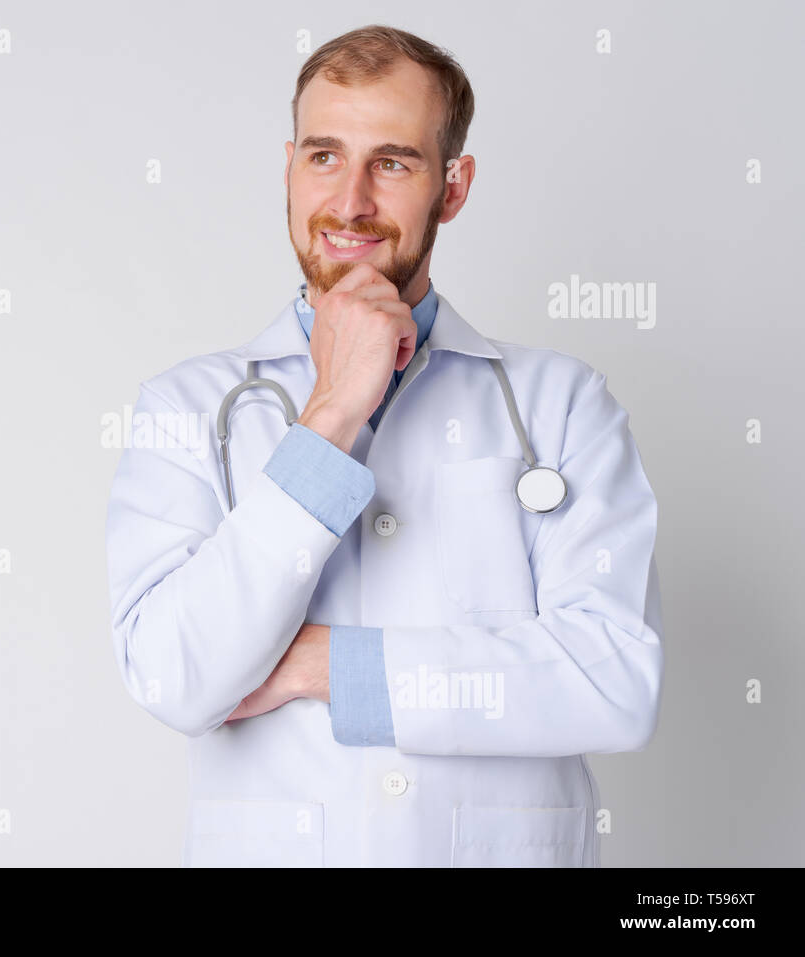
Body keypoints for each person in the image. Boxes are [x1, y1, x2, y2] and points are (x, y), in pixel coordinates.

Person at [104, 24, 662, 867]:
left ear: (454, 186)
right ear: (289, 165)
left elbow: (615, 682)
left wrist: (326, 666)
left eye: (393, 162)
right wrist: (329, 413)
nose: (351, 201)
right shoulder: (187, 406)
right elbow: (176, 675)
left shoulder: (562, 402)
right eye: (324, 156)